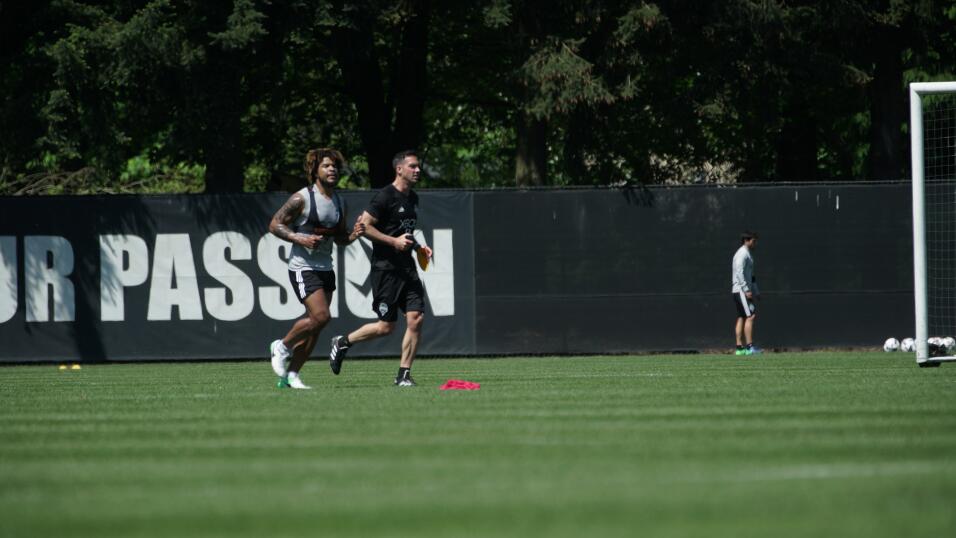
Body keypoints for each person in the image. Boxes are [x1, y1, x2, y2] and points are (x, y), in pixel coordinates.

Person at [329, 150, 433, 387]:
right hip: (385, 269)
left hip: (408, 267)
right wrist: (394, 242)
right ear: (399, 169)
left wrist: (418, 247)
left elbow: (403, 232)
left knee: (416, 319)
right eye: (413, 166)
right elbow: (363, 227)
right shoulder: (385, 196)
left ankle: (403, 375)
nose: (418, 170)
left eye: (418, 167)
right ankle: (343, 341)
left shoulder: (412, 198)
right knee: (386, 327)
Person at [267, 148, 365, 389]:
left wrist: (355, 234)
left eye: (334, 166)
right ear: (314, 171)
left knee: (317, 326)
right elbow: (274, 224)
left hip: (325, 267)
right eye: (326, 166)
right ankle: (282, 346)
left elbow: (340, 239)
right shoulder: (301, 198)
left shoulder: (340, 202)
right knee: (321, 316)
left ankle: (291, 376)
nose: (332, 170)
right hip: (303, 266)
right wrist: (300, 238)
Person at [732, 230, 761, 355]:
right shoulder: (742, 253)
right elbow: (739, 272)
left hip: (739, 291)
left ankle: (739, 349)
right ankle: (749, 348)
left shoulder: (748, 254)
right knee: (751, 316)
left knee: (742, 317)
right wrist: (746, 290)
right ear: (746, 241)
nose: (755, 244)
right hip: (741, 291)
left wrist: (756, 291)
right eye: (753, 241)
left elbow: (751, 276)